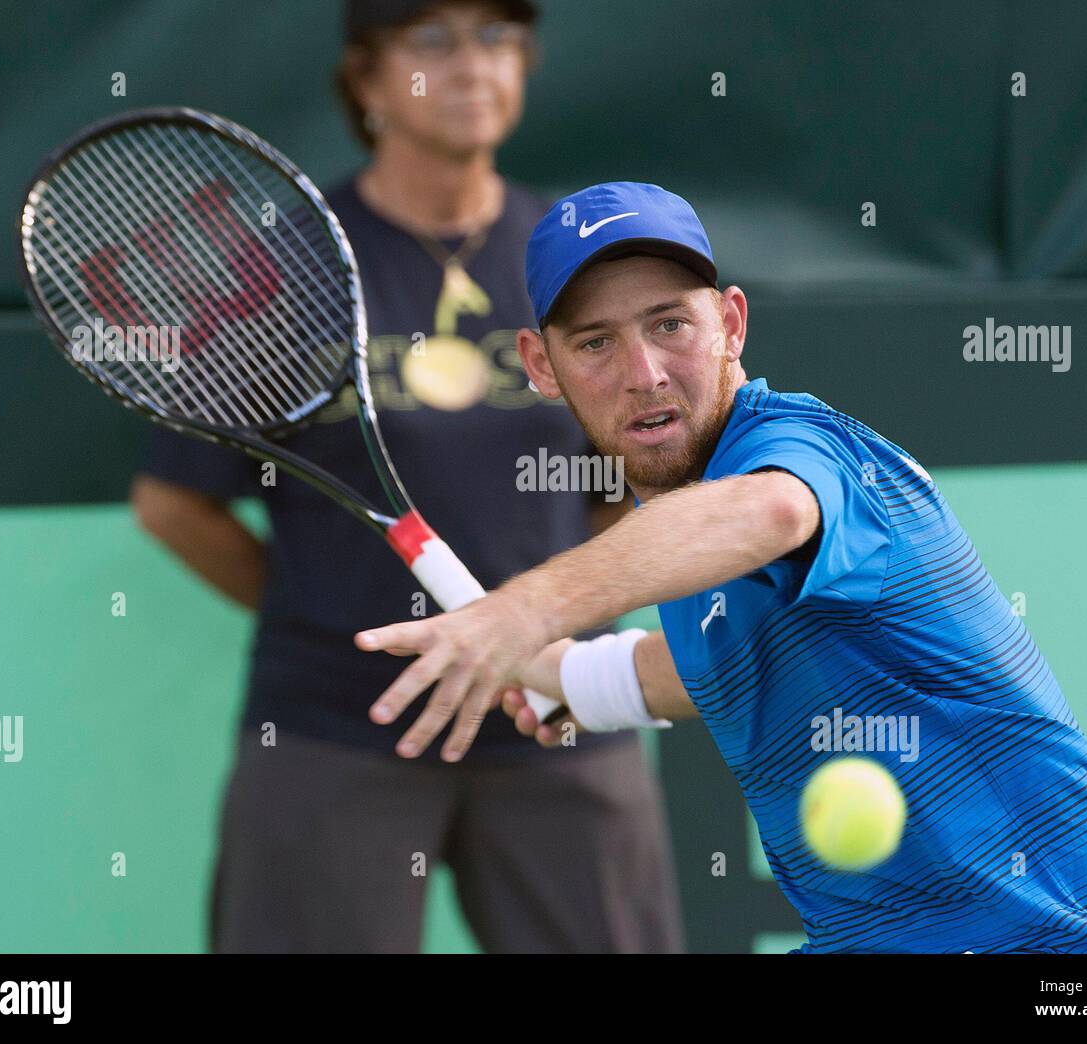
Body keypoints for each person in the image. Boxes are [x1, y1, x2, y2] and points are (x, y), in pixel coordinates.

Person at [354, 181, 1087, 953]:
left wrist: (525, 610)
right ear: (541, 366)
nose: (644, 374)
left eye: (670, 324)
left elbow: (771, 512)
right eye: (597, 342)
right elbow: (716, 657)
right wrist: (571, 677)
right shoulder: (683, 521)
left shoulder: (800, 455)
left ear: (732, 325)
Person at [131, 7, 682, 954]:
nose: (473, 65)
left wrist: (538, 627)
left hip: (559, 719)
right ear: (367, 79)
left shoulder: (571, 264)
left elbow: (619, 488)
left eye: (498, 38)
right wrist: (340, 625)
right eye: (434, 41)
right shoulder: (282, 268)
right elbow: (175, 504)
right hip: (337, 729)